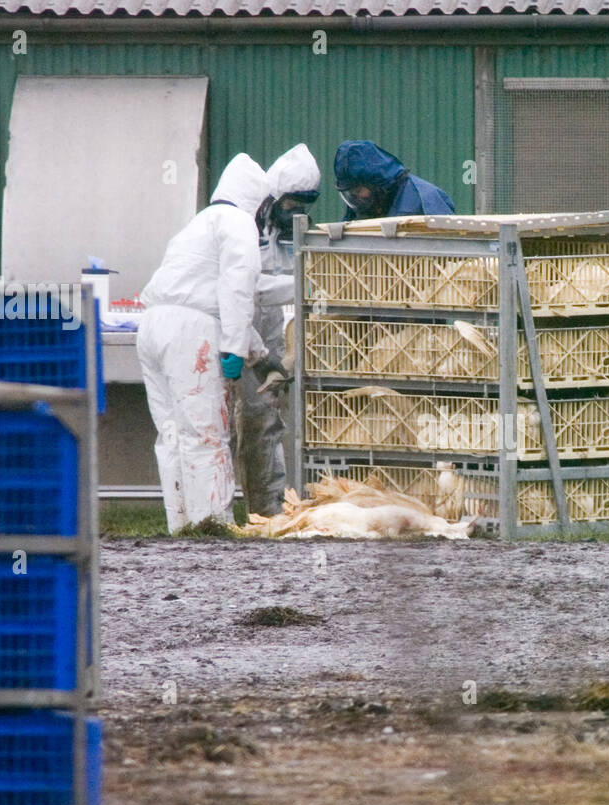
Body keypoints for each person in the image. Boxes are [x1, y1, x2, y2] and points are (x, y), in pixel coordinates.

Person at [137, 153, 281, 533]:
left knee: (172, 435)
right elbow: (236, 291)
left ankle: (181, 527)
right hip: (190, 333)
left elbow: (219, 294)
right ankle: (214, 527)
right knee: (206, 434)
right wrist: (234, 351)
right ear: (257, 199)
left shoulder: (197, 225)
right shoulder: (238, 224)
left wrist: (258, 355)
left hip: (152, 326)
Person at [233, 143, 322, 517]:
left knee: (268, 423)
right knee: (242, 424)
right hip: (240, 336)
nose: (296, 212)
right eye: (291, 204)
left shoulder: (297, 234)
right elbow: (251, 290)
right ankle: (244, 508)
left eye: (304, 205)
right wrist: (304, 283)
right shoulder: (245, 229)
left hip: (273, 344)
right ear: (274, 198)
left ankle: (272, 510)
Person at [333, 140, 455, 221]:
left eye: (358, 190)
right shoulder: (365, 203)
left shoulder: (425, 200)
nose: (354, 197)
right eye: (349, 193)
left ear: (376, 184)